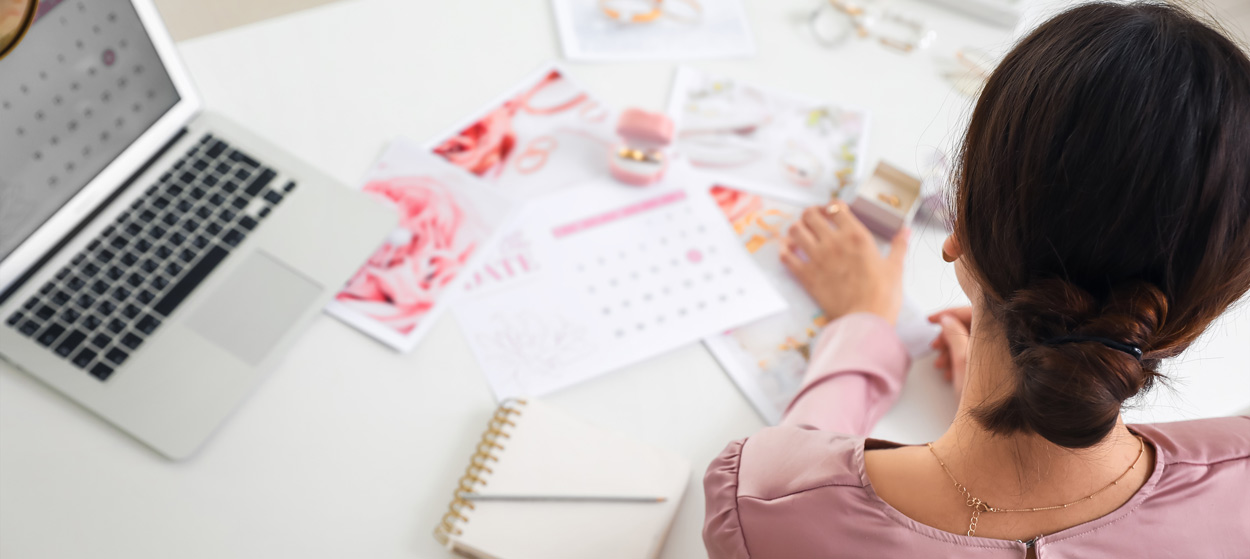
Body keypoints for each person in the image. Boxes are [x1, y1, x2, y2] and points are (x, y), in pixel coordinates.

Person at [703, 2, 1250, 557]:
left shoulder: (764, 504)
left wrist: (862, 325)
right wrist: (1045, 383)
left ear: (957, 218)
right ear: (1200, 314)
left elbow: (795, 481)